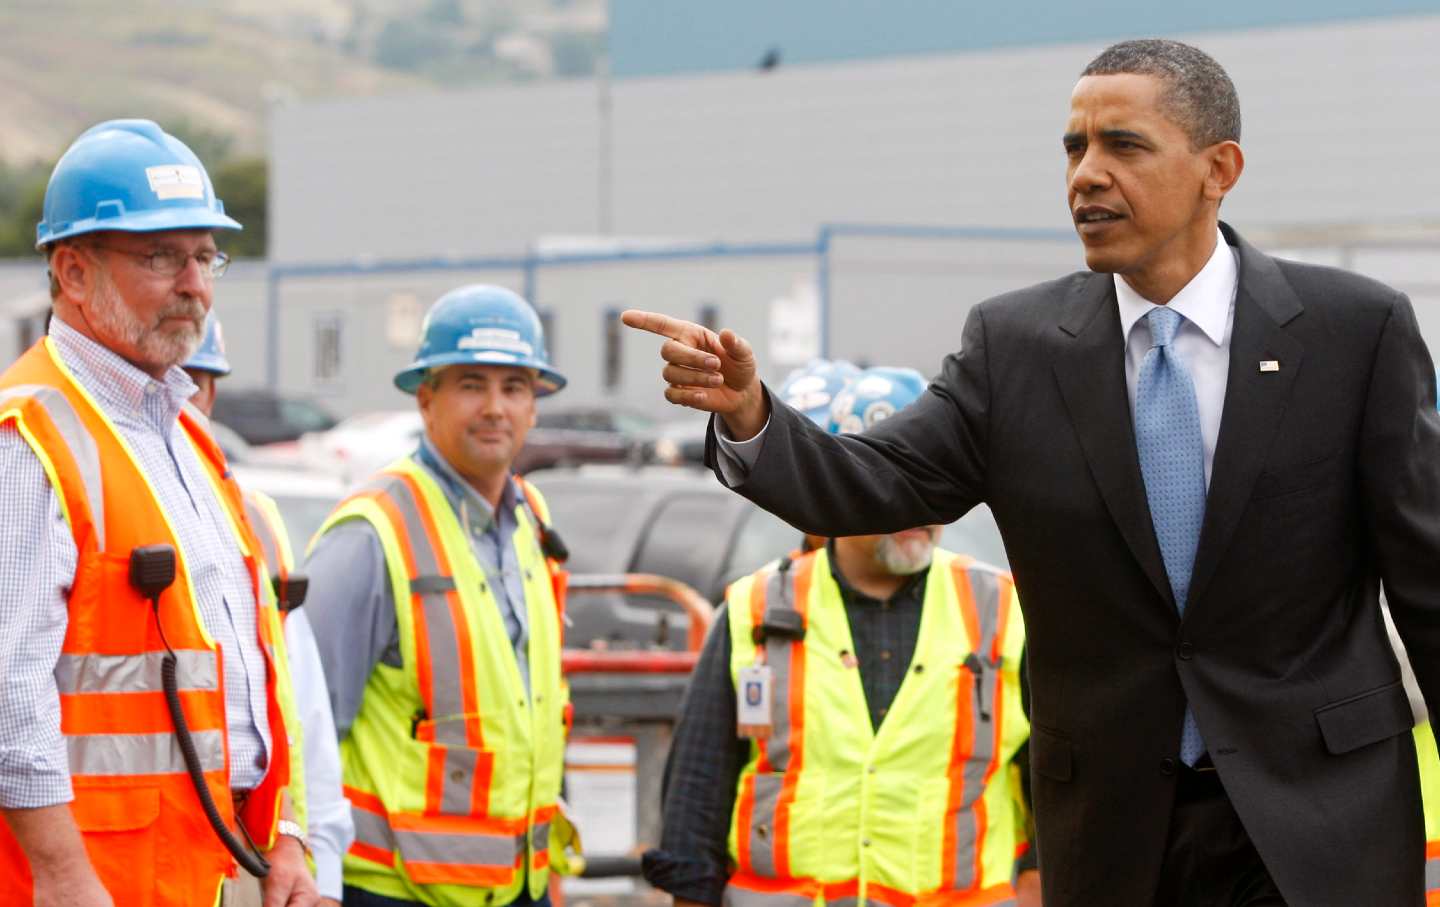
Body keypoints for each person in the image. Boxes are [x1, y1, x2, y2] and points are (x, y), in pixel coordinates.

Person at [623, 38, 1440, 906]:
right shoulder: (1014, 347)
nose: (1086, 174)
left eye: (1122, 145)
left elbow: (1429, 583)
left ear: (1218, 168)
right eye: (1073, 148)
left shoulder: (1354, 332)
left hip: (1319, 828)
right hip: (1116, 833)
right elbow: (869, 480)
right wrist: (752, 413)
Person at [0, 120, 316, 906]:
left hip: (216, 865)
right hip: (101, 883)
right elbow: (9, 691)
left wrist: (284, 838)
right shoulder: (29, 440)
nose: (195, 285)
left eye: (205, 255)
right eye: (160, 256)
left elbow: (247, 671)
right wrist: (64, 875)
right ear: (72, 270)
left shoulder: (182, 432)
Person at [643, 366, 1040, 907]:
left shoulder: (1006, 611)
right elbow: (697, 801)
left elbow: (1053, 799)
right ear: (837, 487)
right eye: (891, 483)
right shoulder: (754, 610)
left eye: (931, 482)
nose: (917, 506)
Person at [303, 285, 577, 906]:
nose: (495, 408)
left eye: (514, 387)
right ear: (426, 400)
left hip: (515, 886)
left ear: (535, 406)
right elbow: (307, 729)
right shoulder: (372, 532)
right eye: (471, 384)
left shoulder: (533, 519)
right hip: (388, 887)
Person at [182, 314, 355, 906]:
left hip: (254, 868)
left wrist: (319, 867)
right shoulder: (82, 496)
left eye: (192, 381)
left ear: (212, 393)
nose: (177, 399)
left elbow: (303, 714)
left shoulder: (253, 523)